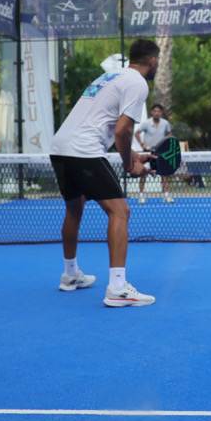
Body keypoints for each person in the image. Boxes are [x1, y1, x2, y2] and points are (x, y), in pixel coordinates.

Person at [49, 39, 159, 307]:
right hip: (83, 150)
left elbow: (105, 126)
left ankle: (71, 275)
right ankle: (118, 289)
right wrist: (129, 164)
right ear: (153, 61)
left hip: (60, 147)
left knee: (75, 207)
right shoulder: (138, 83)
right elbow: (122, 131)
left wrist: (132, 155)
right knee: (120, 211)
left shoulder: (111, 76)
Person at [134, 103, 173, 203]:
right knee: (143, 173)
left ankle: (166, 195)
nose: (157, 113)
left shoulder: (165, 123)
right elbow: (136, 133)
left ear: (161, 113)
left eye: (159, 111)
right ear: (152, 112)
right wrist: (143, 145)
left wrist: (167, 144)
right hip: (148, 153)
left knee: (164, 174)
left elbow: (169, 134)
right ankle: (141, 195)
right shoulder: (146, 123)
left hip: (161, 153)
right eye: (155, 111)